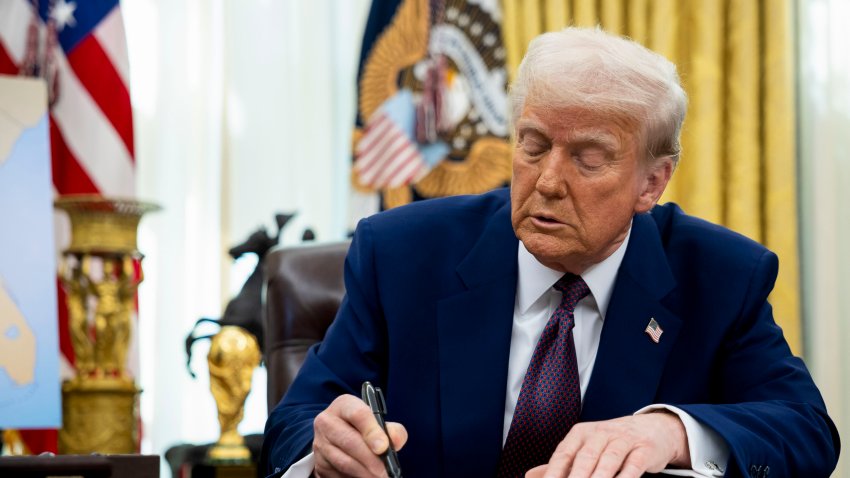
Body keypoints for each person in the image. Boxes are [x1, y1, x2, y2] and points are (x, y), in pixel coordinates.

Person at [261, 27, 840, 478]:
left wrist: (667, 433)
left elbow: (806, 430)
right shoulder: (401, 254)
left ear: (652, 183)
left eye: (589, 159)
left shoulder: (718, 276)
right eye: (533, 146)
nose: (549, 181)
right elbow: (293, 422)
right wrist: (322, 446)